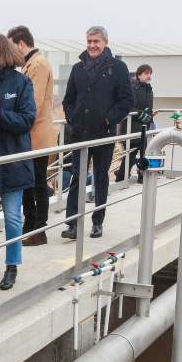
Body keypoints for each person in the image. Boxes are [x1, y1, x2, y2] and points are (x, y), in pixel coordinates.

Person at [60, 26, 133, 238]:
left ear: (105, 43)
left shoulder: (118, 68)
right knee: (77, 177)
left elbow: (126, 100)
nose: (92, 45)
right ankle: (72, 224)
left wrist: (108, 118)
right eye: (89, 41)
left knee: (101, 178)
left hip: (104, 132)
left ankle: (97, 221)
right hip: (80, 133)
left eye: (96, 41)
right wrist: (72, 118)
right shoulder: (78, 68)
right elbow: (68, 99)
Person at [0, 35, 36, 292]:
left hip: (13, 160)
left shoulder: (22, 82)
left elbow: (27, 120)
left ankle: (12, 264)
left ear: (3, 50)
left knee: (13, 218)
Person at [8, 26, 58, 246]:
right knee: (31, 182)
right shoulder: (33, 64)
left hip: (36, 134)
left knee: (36, 183)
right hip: (33, 135)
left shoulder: (37, 65)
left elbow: (33, 104)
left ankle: (38, 228)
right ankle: (31, 226)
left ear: (20, 44)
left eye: (11, 47)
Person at [116, 64, 154, 182]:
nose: (149, 76)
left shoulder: (148, 89)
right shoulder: (132, 88)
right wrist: (142, 115)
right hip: (131, 127)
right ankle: (121, 178)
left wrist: (149, 115)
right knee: (130, 155)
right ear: (139, 75)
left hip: (143, 128)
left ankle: (141, 176)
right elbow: (128, 106)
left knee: (143, 154)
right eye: (146, 73)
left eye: (150, 74)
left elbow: (148, 107)